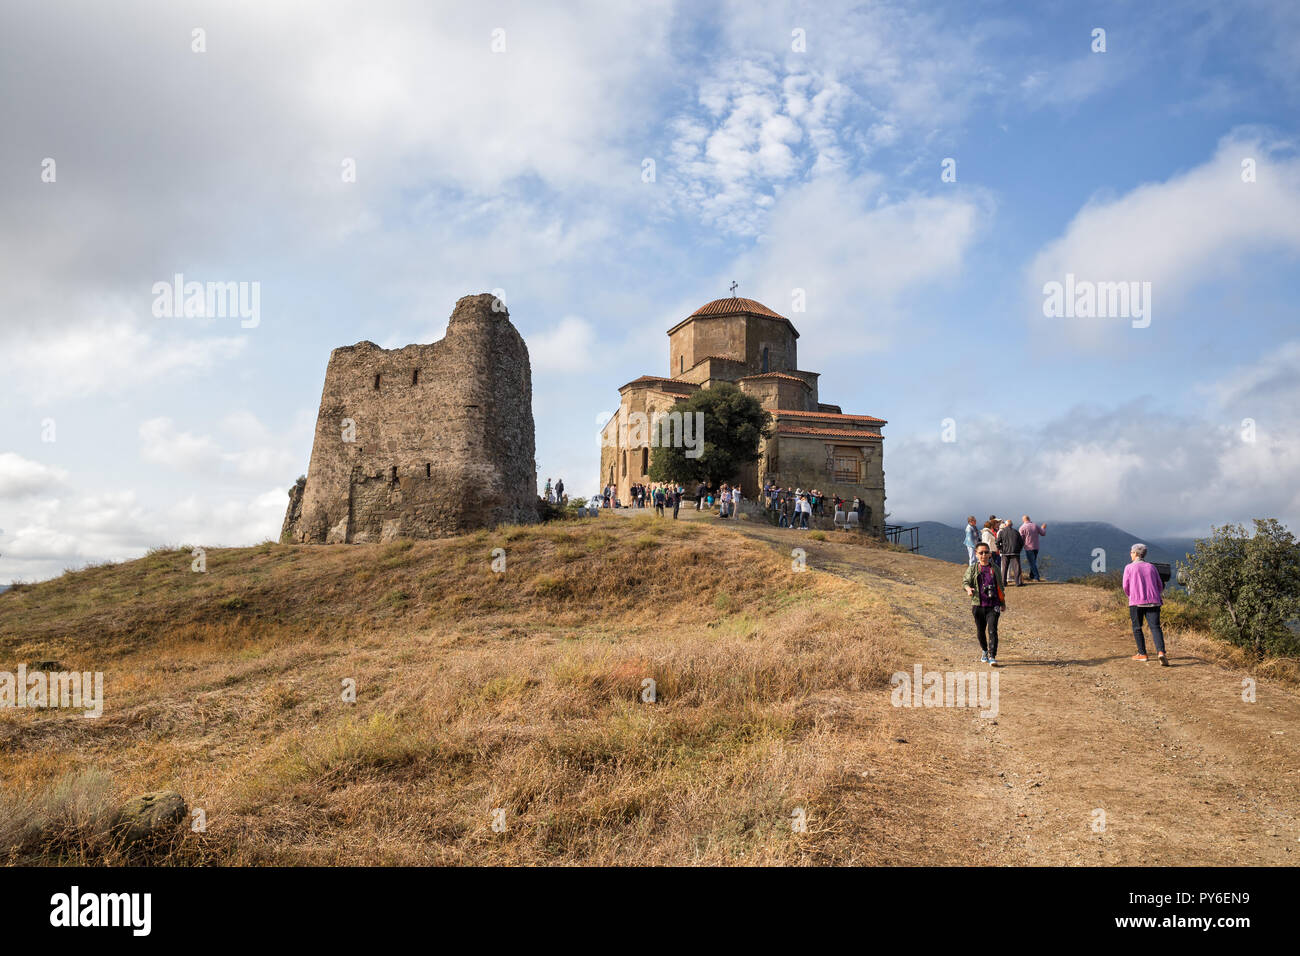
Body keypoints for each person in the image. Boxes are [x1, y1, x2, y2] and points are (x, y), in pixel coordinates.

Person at [1122, 543, 1168, 665]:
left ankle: (1142, 654)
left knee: (1137, 627)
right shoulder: (1151, 567)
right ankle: (1161, 653)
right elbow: (1159, 585)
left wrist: (1132, 596)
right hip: (1154, 601)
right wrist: (1155, 595)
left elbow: (1125, 586)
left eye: (1131, 552)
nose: (1130, 554)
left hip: (1136, 602)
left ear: (1136, 553)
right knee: (1155, 627)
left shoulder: (1129, 568)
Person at [963, 542, 1005, 666]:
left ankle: (992, 656)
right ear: (976, 554)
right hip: (978, 604)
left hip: (993, 605)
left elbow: (1000, 587)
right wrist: (968, 589)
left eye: (986, 552)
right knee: (980, 631)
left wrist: (1002, 602)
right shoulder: (972, 569)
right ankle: (985, 651)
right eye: (981, 553)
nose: (984, 555)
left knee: (992, 630)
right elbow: (965, 582)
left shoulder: (995, 568)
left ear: (990, 554)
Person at [1019, 515, 1047, 581]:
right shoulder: (1035, 525)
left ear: (1023, 520)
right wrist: (1043, 528)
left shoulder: (1022, 527)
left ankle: (1036, 577)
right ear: (1029, 519)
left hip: (1028, 547)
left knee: (1032, 563)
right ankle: (1031, 576)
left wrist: (1020, 546)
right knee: (1033, 562)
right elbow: (1043, 533)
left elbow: (1021, 539)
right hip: (1036, 547)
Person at [997, 519, 1023, 586]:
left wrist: (1000, 549)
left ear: (1005, 525)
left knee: (1004, 568)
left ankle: (1003, 583)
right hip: (1015, 552)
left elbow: (997, 542)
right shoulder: (1016, 532)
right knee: (1016, 568)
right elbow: (1021, 542)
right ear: (1012, 525)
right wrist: (1018, 550)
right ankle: (1018, 582)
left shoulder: (1001, 532)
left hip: (1005, 552)